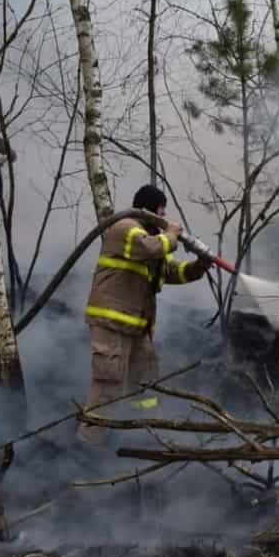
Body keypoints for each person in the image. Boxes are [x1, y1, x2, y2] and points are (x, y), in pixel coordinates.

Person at [80, 185, 213, 445]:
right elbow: (151, 248)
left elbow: (172, 272)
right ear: (149, 210)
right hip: (111, 322)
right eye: (161, 211)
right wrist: (172, 235)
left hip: (138, 328)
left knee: (146, 383)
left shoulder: (150, 240)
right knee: (109, 384)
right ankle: (89, 443)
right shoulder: (125, 228)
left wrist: (201, 265)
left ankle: (141, 436)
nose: (164, 216)